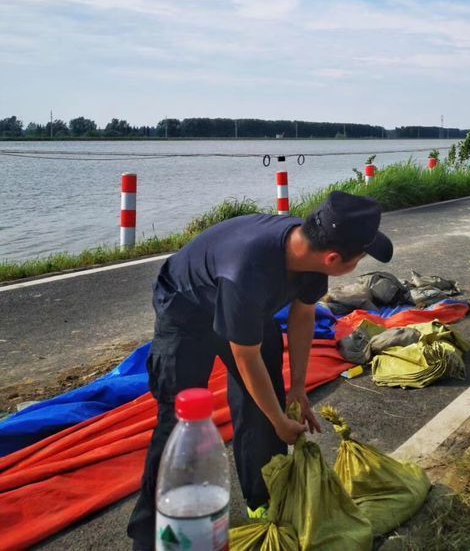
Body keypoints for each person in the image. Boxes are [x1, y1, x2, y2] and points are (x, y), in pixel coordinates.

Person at [127, 192, 393, 550]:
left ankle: (263, 501)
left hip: (246, 310)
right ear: (334, 258)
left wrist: (297, 388)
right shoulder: (249, 274)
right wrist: (281, 422)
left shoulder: (310, 256)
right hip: (187, 309)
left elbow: (302, 315)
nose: (359, 262)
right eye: (360, 257)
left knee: (265, 407)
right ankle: (148, 534)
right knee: (177, 422)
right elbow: (246, 357)